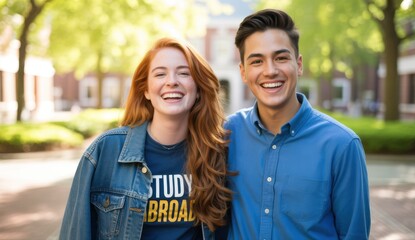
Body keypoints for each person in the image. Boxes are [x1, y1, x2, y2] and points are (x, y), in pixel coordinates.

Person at [59, 37, 232, 239]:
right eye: (160, 74)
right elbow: (76, 233)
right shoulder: (104, 152)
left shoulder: (218, 152)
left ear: (199, 90)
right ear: (146, 90)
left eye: (184, 73)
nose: (172, 81)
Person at [225, 9, 371, 239]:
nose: (270, 71)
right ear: (243, 72)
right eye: (257, 61)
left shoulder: (342, 145)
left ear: (299, 64)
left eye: (281, 58)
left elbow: (354, 233)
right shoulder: (227, 134)